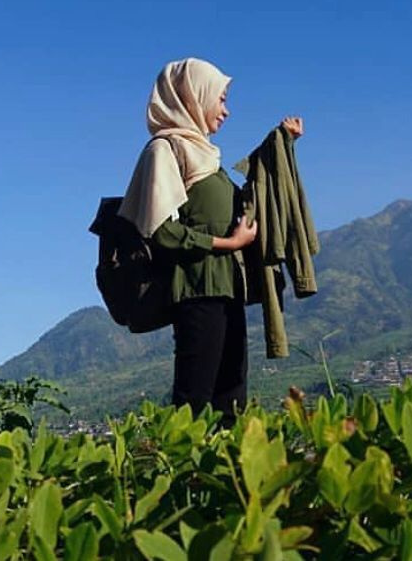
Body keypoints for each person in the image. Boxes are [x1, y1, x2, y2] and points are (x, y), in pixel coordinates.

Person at [117, 58, 303, 423]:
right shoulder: (165, 149)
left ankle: (226, 459)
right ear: (193, 96)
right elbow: (160, 230)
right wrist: (228, 244)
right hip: (197, 290)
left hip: (227, 288)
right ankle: (185, 460)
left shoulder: (206, 156)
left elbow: (248, 194)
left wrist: (281, 143)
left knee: (231, 398)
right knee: (196, 399)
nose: (226, 110)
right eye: (220, 99)